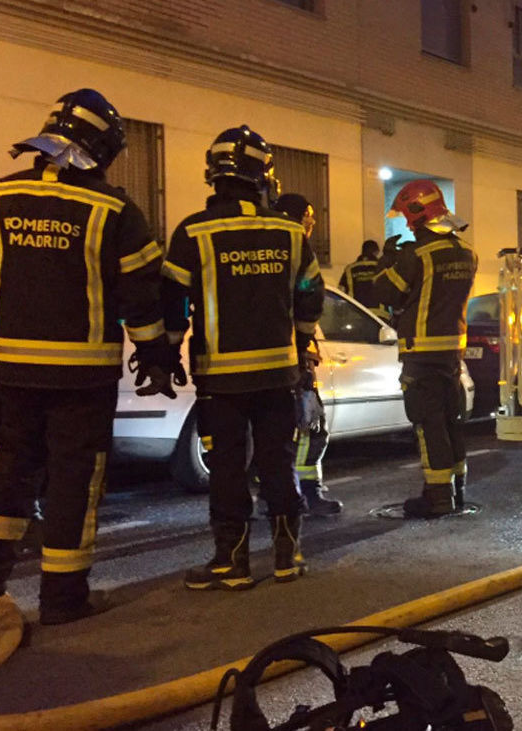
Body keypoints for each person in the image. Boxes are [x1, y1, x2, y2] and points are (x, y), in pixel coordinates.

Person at [0, 89, 175, 624]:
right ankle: (63, 597)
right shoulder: (114, 209)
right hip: (84, 376)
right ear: (102, 148)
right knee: (76, 478)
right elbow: (140, 297)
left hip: (11, 370)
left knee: (9, 465)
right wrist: (155, 356)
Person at [163, 126, 324, 590]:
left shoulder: (193, 231)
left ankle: (232, 564)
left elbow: (173, 299)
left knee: (228, 469)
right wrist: (299, 339)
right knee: (279, 462)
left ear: (214, 174)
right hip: (278, 375)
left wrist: (168, 351)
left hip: (220, 380)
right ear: (263, 176)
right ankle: (287, 556)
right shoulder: (290, 232)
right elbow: (312, 294)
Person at [372, 180, 477, 518]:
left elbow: (385, 293)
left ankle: (436, 497)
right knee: (450, 421)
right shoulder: (466, 252)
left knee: (427, 422)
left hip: (421, 353)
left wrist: (386, 259)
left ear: (418, 214)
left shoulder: (416, 255)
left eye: (407, 217)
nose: (406, 225)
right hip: (452, 353)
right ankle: (457, 490)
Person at [271, 193, 341, 516]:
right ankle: (306, 494)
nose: (309, 228)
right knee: (311, 428)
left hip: (276, 359)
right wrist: (302, 349)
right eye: (307, 221)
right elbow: (310, 299)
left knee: (285, 432)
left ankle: (281, 495)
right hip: (292, 359)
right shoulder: (295, 248)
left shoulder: (268, 248)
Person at [338, 238, 387, 314]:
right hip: (379, 316)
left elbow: (341, 291)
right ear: (376, 252)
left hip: (357, 314)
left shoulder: (350, 269)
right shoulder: (383, 268)